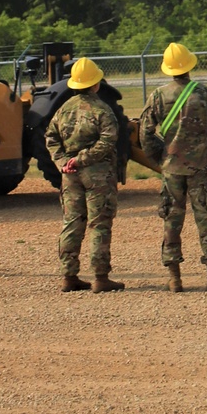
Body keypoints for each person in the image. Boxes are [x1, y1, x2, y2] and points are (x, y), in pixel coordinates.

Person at [140, 42, 207, 292]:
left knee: (171, 220)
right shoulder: (203, 94)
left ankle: (174, 278)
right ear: (189, 65)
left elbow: (145, 133)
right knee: (206, 219)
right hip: (200, 168)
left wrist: (159, 159)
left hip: (171, 169)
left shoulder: (158, 96)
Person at [45, 57, 124, 293]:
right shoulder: (102, 110)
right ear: (96, 84)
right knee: (99, 223)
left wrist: (62, 162)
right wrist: (83, 159)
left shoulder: (63, 110)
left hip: (70, 176)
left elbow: (50, 138)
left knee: (72, 222)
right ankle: (101, 278)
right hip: (97, 175)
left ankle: (69, 276)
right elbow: (109, 140)